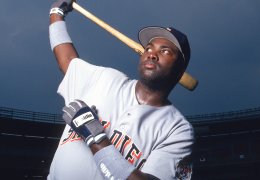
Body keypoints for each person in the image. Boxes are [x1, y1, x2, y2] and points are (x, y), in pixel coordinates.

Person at [47, 0, 194, 179]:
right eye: (148, 48)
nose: (152, 53)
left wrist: (96, 138)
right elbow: (67, 60)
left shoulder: (177, 129)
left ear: (180, 70)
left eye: (165, 51)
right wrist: (56, 13)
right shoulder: (106, 78)